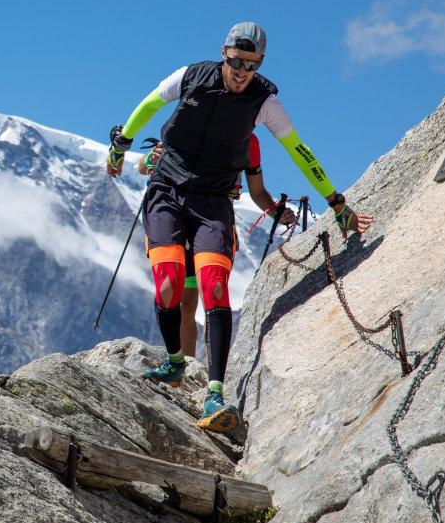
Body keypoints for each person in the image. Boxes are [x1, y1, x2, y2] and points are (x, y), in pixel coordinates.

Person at [107, 22, 373, 432]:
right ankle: (175, 362)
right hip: (166, 190)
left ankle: (214, 394)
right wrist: (121, 143)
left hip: (213, 203)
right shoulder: (192, 76)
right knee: (169, 284)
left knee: (213, 287)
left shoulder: (265, 102)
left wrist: (336, 203)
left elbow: (300, 151)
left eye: (250, 65)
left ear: (260, 63)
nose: (240, 71)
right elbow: (148, 104)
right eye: (235, 61)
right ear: (224, 53)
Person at [138, 136, 296, 364]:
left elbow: (257, 190)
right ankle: (188, 370)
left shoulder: (248, 141)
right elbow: (144, 165)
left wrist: (275, 213)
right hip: (182, 224)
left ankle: (208, 375)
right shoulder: (192, 124)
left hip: (212, 226)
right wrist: (151, 158)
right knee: (186, 303)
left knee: (211, 299)